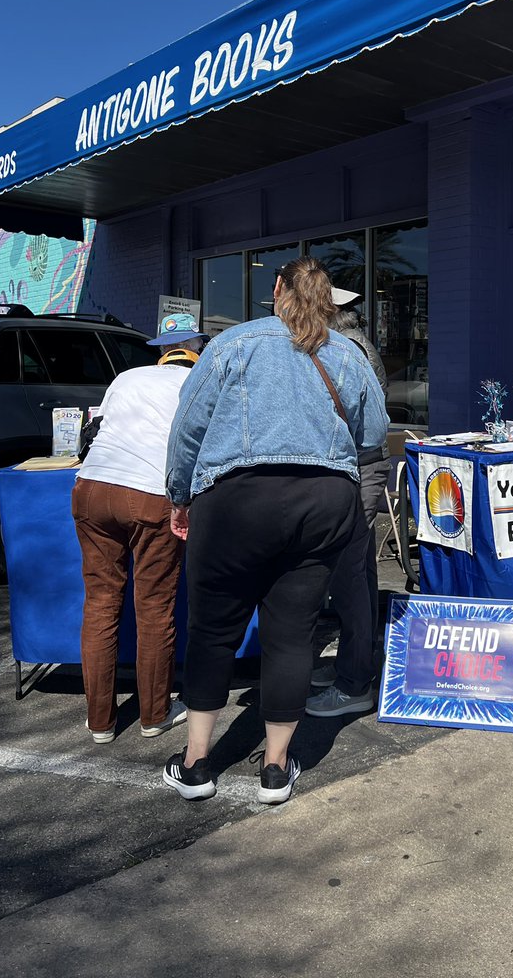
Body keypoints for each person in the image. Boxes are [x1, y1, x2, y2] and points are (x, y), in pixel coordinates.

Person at [161, 257, 389, 805]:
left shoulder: (234, 344)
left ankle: (195, 765)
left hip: (237, 499)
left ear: (278, 289)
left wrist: (179, 494)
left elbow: (188, 428)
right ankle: (274, 768)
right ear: (328, 299)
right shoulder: (347, 353)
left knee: (214, 630)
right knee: (293, 634)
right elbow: (375, 430)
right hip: (322, 503)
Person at [72, 312, 208, 743]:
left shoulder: (126, 378)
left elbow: (95, 432)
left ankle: (100, 723)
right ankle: (154, 714)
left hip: (91, 489)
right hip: (150, 494)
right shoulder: (198, 385)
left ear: (161, 351)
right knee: (153, 607)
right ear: (197, 349)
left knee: (100, 604)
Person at [305, 287, 392, 718]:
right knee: (359, 571)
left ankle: (355, 681)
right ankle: (353, 666)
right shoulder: (349, 342)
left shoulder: (345, 346)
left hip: (358, 464)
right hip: (357, 464)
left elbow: (371, 420)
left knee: (349, 573)